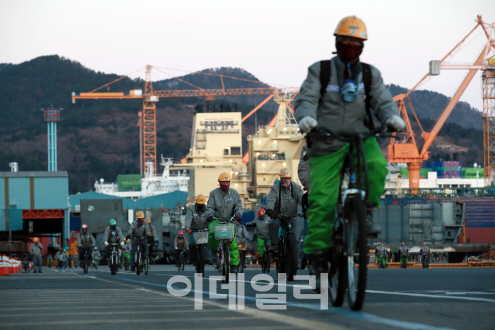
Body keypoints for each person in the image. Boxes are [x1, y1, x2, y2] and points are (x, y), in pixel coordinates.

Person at [294, 16, 406, 286]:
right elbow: (306, 98)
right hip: (326, 140)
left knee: (378, 166)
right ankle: (319, 254)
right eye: (346, 43)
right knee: (321, 199)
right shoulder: (319, 71)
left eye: (356, 45)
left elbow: (383, 100)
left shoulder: (370, 74)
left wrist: (392, 117)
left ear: (363, 47)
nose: (351, 49)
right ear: (337, 43)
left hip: (360, 137)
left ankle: (365, 209)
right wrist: (306, 117)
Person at [205, 172, 244, 273]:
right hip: (216, 220)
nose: (225, 184)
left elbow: (239, 206)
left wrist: (238, 215)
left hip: (229, 221)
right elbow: (210, 206)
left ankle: (234, 265)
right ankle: (214, 251)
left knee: (233, 244)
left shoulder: (234, 193)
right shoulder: (213, 193)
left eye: (227, 182)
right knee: (212, 233)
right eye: (223, 182)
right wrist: (209, 215)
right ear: (219, 183)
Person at [265, 167, 304, 253]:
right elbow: (271, 200)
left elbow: (302, 198)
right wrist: (270, 210)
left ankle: (295, 260)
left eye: (287, 178)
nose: (286, 180)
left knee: (295, 239)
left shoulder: (296, 188)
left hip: (292, 217)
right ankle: (274, 244)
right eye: (284, 178)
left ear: (290, 178)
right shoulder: (275, 188)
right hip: (279, 216)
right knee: (273, 224)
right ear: (280, 178)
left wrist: (307, 207)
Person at [185, 194, 213, 264]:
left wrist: (211, 223)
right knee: (192, 244)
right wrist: (187, 227)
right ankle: (191, 258)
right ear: (196, 203)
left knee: (208, 243)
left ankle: (208, 258)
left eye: (202, 204)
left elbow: (211, 217)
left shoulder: (208, 209)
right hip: (194, 230)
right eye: (199, 204)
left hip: (205, 230)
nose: (201, 206)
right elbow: (188, 218)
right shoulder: (191, 209)